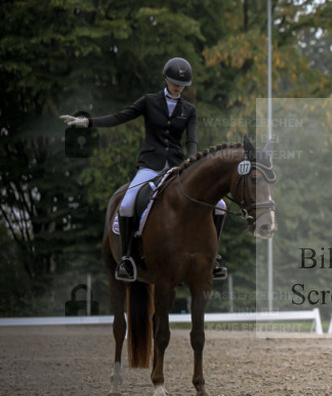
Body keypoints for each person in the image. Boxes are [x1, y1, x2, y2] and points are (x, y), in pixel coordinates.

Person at [61, 58, 228, 282]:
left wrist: (191, 163)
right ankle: (127, 259)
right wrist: (87, 122)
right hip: (150, 166)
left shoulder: (189, 110)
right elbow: (120, 117)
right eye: (174, 82)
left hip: (178, 167)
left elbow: (192, 141)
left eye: (182, 83)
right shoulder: (149, 101)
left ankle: (213, 258)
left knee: (221, 205)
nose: (178, 86)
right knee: (128, 202)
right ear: (165, 79)